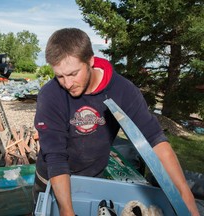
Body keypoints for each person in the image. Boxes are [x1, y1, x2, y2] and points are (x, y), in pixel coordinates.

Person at [32, 28, 200, 216]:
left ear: (90, 61)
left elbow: (155, 140)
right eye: (60, 76)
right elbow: (55, 155)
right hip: (51, 181)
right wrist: (66, 210)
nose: (67, 83)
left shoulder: (122, 91)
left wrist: (185, 195)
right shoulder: (51, 95)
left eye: (73, 74)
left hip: (93, 179)